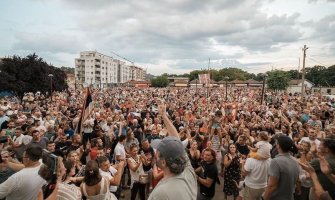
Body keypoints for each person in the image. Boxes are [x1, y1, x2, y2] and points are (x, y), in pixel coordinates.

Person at [148, 103, 197, 200]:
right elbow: (177, 140)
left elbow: (177, 141)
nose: (155, 155)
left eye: (157, 154)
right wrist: (164, 115)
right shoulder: (188, 172)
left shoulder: (160, 193)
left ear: (163, 162)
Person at [263, 135, 300, 200]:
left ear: (278, 145)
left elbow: (272, 186)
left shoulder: (276, 161)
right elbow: (297, 181)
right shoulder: (295, 160)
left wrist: (264, 198)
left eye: (276, 143)